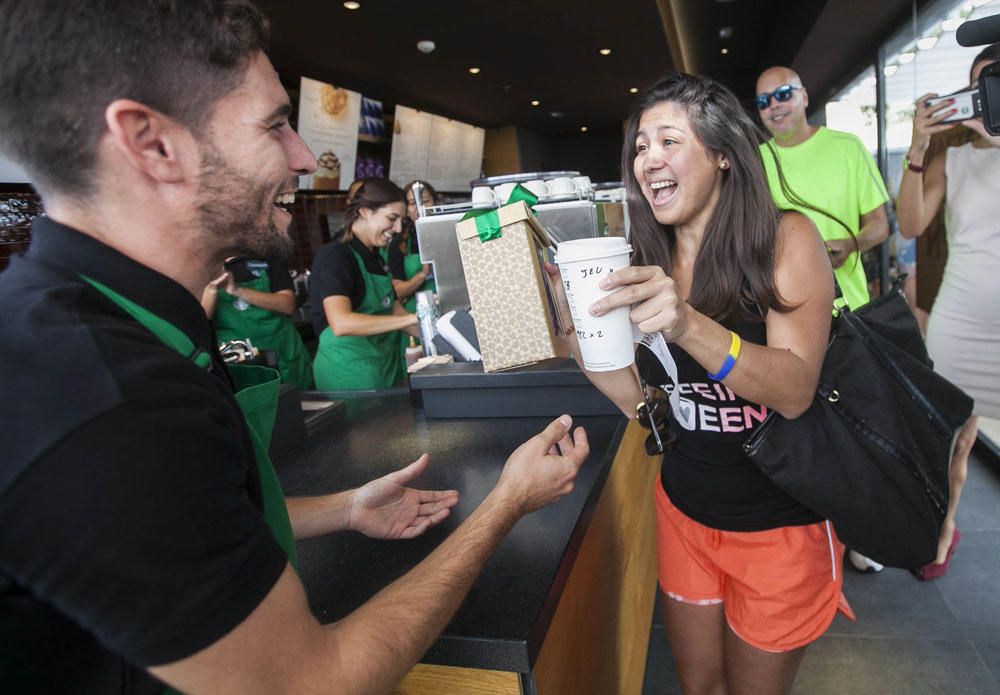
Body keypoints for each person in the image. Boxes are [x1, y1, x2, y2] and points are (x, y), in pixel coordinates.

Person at [0, 2, 590, 693]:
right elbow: (314, 681)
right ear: (151, 142)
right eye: (275, 125)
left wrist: (345, 506)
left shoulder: (127, 323)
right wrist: (506, 502)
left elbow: (191, 520)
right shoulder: (102, 400)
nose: (305, 157)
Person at [546, 72, 848, 694]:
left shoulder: (783, 239)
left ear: (721, 155)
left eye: (667, 141)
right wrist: (576, 339)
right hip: (685, 511)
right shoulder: (641, 254)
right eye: (638, 147)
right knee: (699, 687)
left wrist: (687, 323)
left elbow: (795, 390)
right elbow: (652, 408)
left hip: (779, 525)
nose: (647, 159)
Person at [894, 43, 1000, 580]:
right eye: (980, 84)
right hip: (963, 315)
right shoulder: (953, 155)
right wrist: (919, 147)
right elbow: (910, 224)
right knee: (953, 436)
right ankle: (945, 524)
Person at [756, 66, 890, 311]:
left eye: (783, 94)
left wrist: (851, 244)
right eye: (764, 101)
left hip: (850, 304)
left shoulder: (848, 147)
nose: (774, 105)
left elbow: (880, 225)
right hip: (784, 309)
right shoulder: (753, 163)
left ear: (804, 97)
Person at [310, 177, 419, 390]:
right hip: (349, 372)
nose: (397, 229)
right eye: (391, 218)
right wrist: (411, 319)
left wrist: (441, 340)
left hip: (383, 367)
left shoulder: (376, 256)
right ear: (365, 211)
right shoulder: (336, 255)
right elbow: (341, 323)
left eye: (401, 221)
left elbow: (397, 312)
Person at [201, 255, 313, 390]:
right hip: (239, 362)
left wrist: (237, 290)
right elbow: (199, 323)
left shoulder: (267, 256)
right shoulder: (203, 266)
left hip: (285, 352)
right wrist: (211, 289)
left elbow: (287, 305)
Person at [387, 179, 437, 312]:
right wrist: (424, 273)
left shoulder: (449, 234)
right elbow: (398, 292)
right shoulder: (399, 243)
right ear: (406, 210)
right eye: (413, 203)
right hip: (415, 315)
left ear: (435, 203)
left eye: (425, 201)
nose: (420, 208)